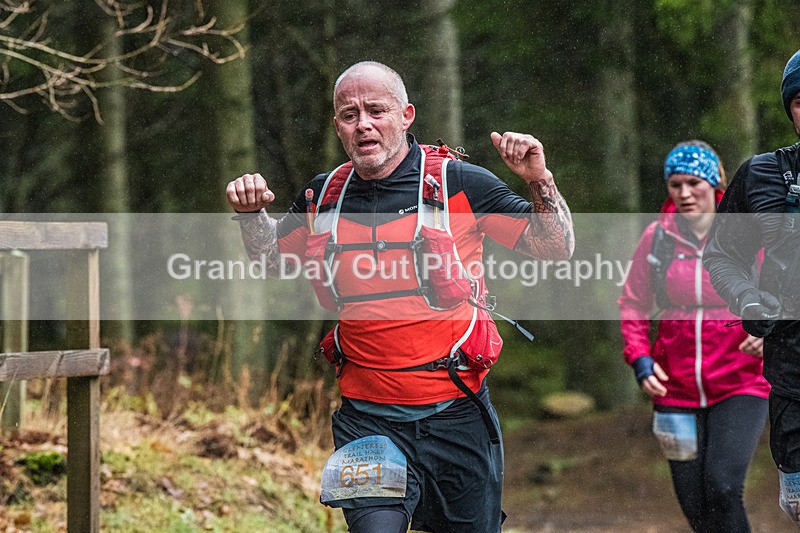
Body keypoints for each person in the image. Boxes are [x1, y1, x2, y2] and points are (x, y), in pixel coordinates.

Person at [225, 61, 574, 533]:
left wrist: (538, 179)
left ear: (406, 115)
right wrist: (251, 217)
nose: (363, 123)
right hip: (368, 421)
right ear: (337, 127)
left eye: (376, 111)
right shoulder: (322, 195)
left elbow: (556, 247)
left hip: (456, 415)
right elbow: (268, 260)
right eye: (349, 114)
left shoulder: (462, 183)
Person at [618, 140, 770, 533]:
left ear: (714, 184)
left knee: (722, 486)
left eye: (693, 183)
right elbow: (633, 303)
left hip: (742, 381)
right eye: (675, 184)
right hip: (674, 388)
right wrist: (639, 358)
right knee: (695, 503)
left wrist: (771, 332)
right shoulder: (657, 238)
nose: (684, 194)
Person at [703, 49, 800, 526]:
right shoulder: (762, 174)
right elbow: (722, 254)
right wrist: (746, 296)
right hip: (792, 376)